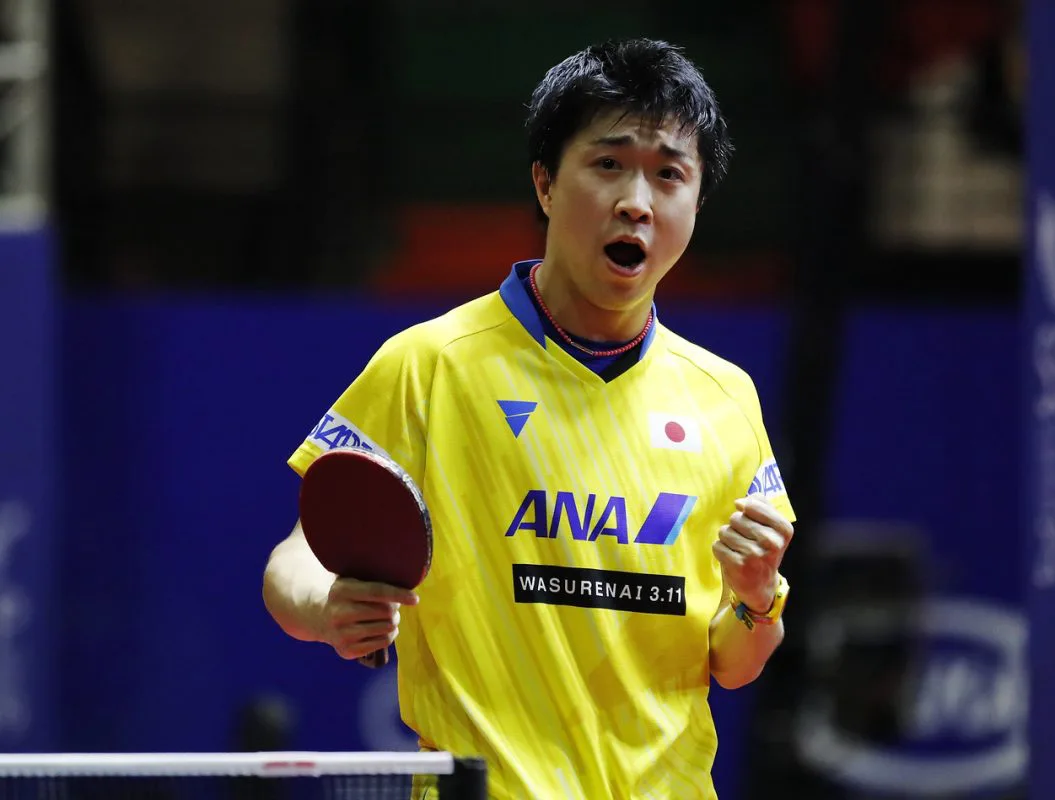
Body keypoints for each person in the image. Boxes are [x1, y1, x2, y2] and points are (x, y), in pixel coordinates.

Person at [262, 37, 795, 800]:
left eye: (669, 174)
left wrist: (755, 595)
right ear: (545, 183)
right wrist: (325, 607)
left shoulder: (726, 398)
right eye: (608, 164)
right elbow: (295, 562)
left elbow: (735, 664)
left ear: (697, 203)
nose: (637, 202)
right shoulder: (431, 364)